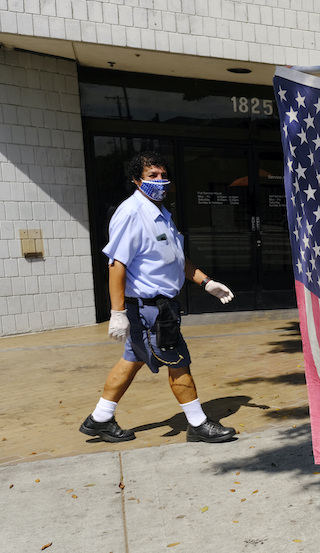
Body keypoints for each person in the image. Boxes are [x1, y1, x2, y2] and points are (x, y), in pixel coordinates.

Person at [79, 151, 240, 444]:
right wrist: (117, 312)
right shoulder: (132, 213)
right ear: (136, 180)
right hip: (151, 310)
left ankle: (99, 418)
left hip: (159, 307)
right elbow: (116, 265)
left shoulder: (162, 212)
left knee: (132, 360)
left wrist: (206, 282)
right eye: (152, 176)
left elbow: (175, 258)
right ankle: (197, 423)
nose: (160, 181)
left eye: (163, 176)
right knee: (178, 361)